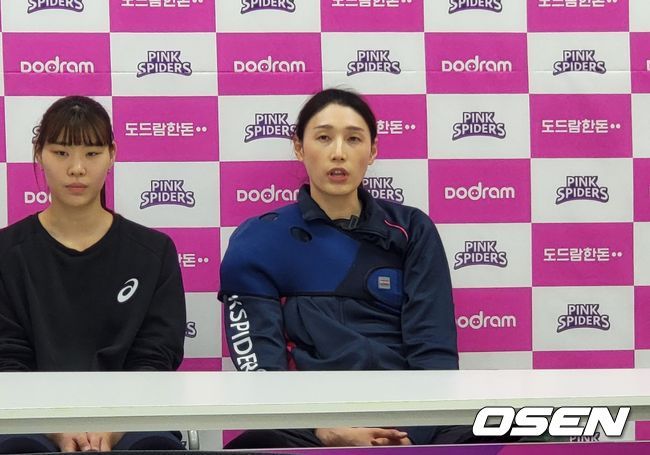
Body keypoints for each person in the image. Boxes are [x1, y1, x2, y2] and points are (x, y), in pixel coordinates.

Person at [220, 88, 477, 448]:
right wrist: (324, 429)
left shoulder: (412, 229)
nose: (338, 152)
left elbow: (434, 355)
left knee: (487, 431)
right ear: (299, 147)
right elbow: (261, 371)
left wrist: (407, 435)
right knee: (254, 445)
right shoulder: (257, 240)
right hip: (308, 422)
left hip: (410, 417)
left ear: (372, 151)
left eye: (353, 139)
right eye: (324, 137)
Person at [0, 96, 186, 453]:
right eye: (61, 152)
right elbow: (8, 360)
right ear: (39, 154)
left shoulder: (154, 252)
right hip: (27, 419)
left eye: (92, 153)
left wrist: (114, 426)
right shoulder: (7, 253)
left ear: (112, 155)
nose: (76, 168)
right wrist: (54, 427)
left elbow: (155, 358)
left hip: (133, 419)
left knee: (153, 447)